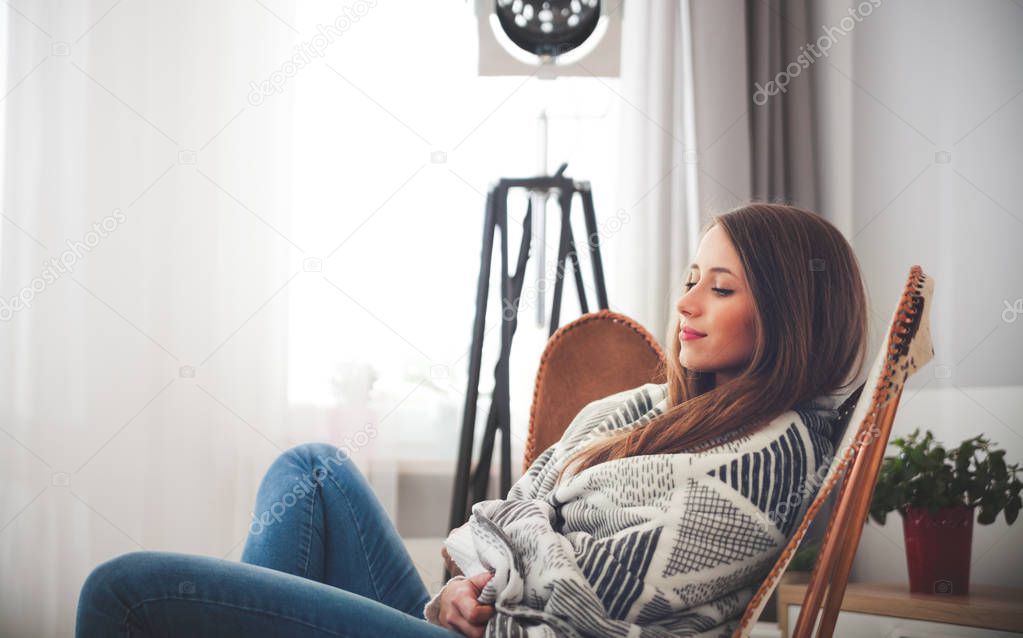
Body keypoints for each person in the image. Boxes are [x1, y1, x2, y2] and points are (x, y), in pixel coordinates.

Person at [75, 202, 868, 637]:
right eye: (691, 278)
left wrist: (494, 584)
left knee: (126, 591)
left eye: (720, 288)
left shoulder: (769, 456)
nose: (685, 303)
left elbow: (593, 614)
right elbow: (515, 511)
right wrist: (459, 591)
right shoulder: (651, 413)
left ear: (793, 312)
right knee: (313, 469)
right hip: (481, 623)